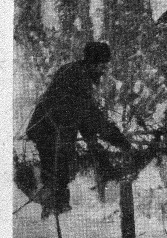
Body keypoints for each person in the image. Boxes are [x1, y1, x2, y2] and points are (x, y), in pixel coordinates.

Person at [26, 42, 132, 219]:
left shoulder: (74, 71)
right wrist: (120, 141)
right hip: (52, 131)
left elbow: (81, 115)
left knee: (58, 173)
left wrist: (92, 140)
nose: (104, 70)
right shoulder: (78, 78)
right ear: (92, 62)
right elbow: (92, 116)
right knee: (57, 174)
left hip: (51, 129)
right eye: (101, 65)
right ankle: (55, 217)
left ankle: (54, 213)